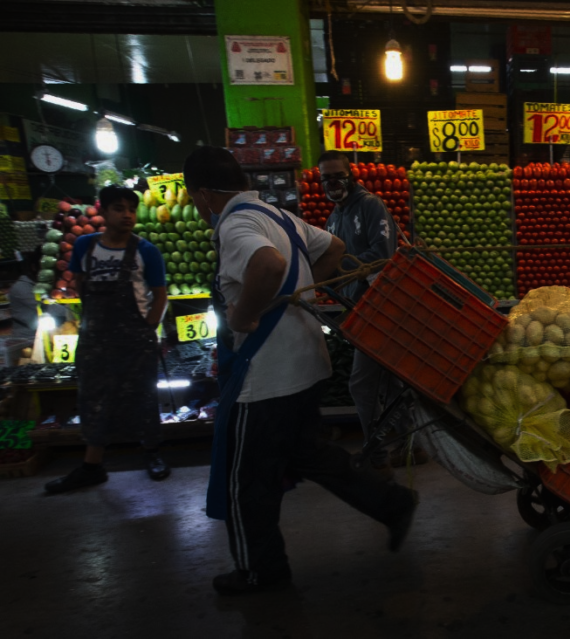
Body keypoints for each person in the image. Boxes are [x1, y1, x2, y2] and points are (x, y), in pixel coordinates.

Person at [184, 147, 417, 595]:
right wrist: (301, 290)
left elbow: (268, 265)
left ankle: (260, 569)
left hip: (268, 375)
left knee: (247, 477)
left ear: (206, 194)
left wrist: (245, 317)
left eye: (196, 198)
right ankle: (392, 504)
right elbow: (334, 247)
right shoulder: (278, 216)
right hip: (308, 362)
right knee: (309, 454)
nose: (198, 207)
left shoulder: (236, 223)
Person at [44, 186, 170, 493]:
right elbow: (79, 283)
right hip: (95, 341)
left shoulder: (146, 251)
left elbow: (160, 296)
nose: (126, 214)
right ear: (103, 211)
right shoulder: (86, 246)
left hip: (135, 340)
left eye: (131, 209)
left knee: (143, 397)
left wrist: (147, 328)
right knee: (94, 400)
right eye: (119, 208)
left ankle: (152, 453)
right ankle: (92, 466)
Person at [318, 150, 427, 470]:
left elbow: (383, 253)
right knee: (388, 382)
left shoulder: (369, 205)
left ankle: (374, 453)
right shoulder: (333, 217)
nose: (332, 182)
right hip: (359, 309)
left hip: (381, 307)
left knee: (361, 384)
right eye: (326, 177)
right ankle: (410, 445)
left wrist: (341, 270)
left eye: (338, 175)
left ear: (351, 175)